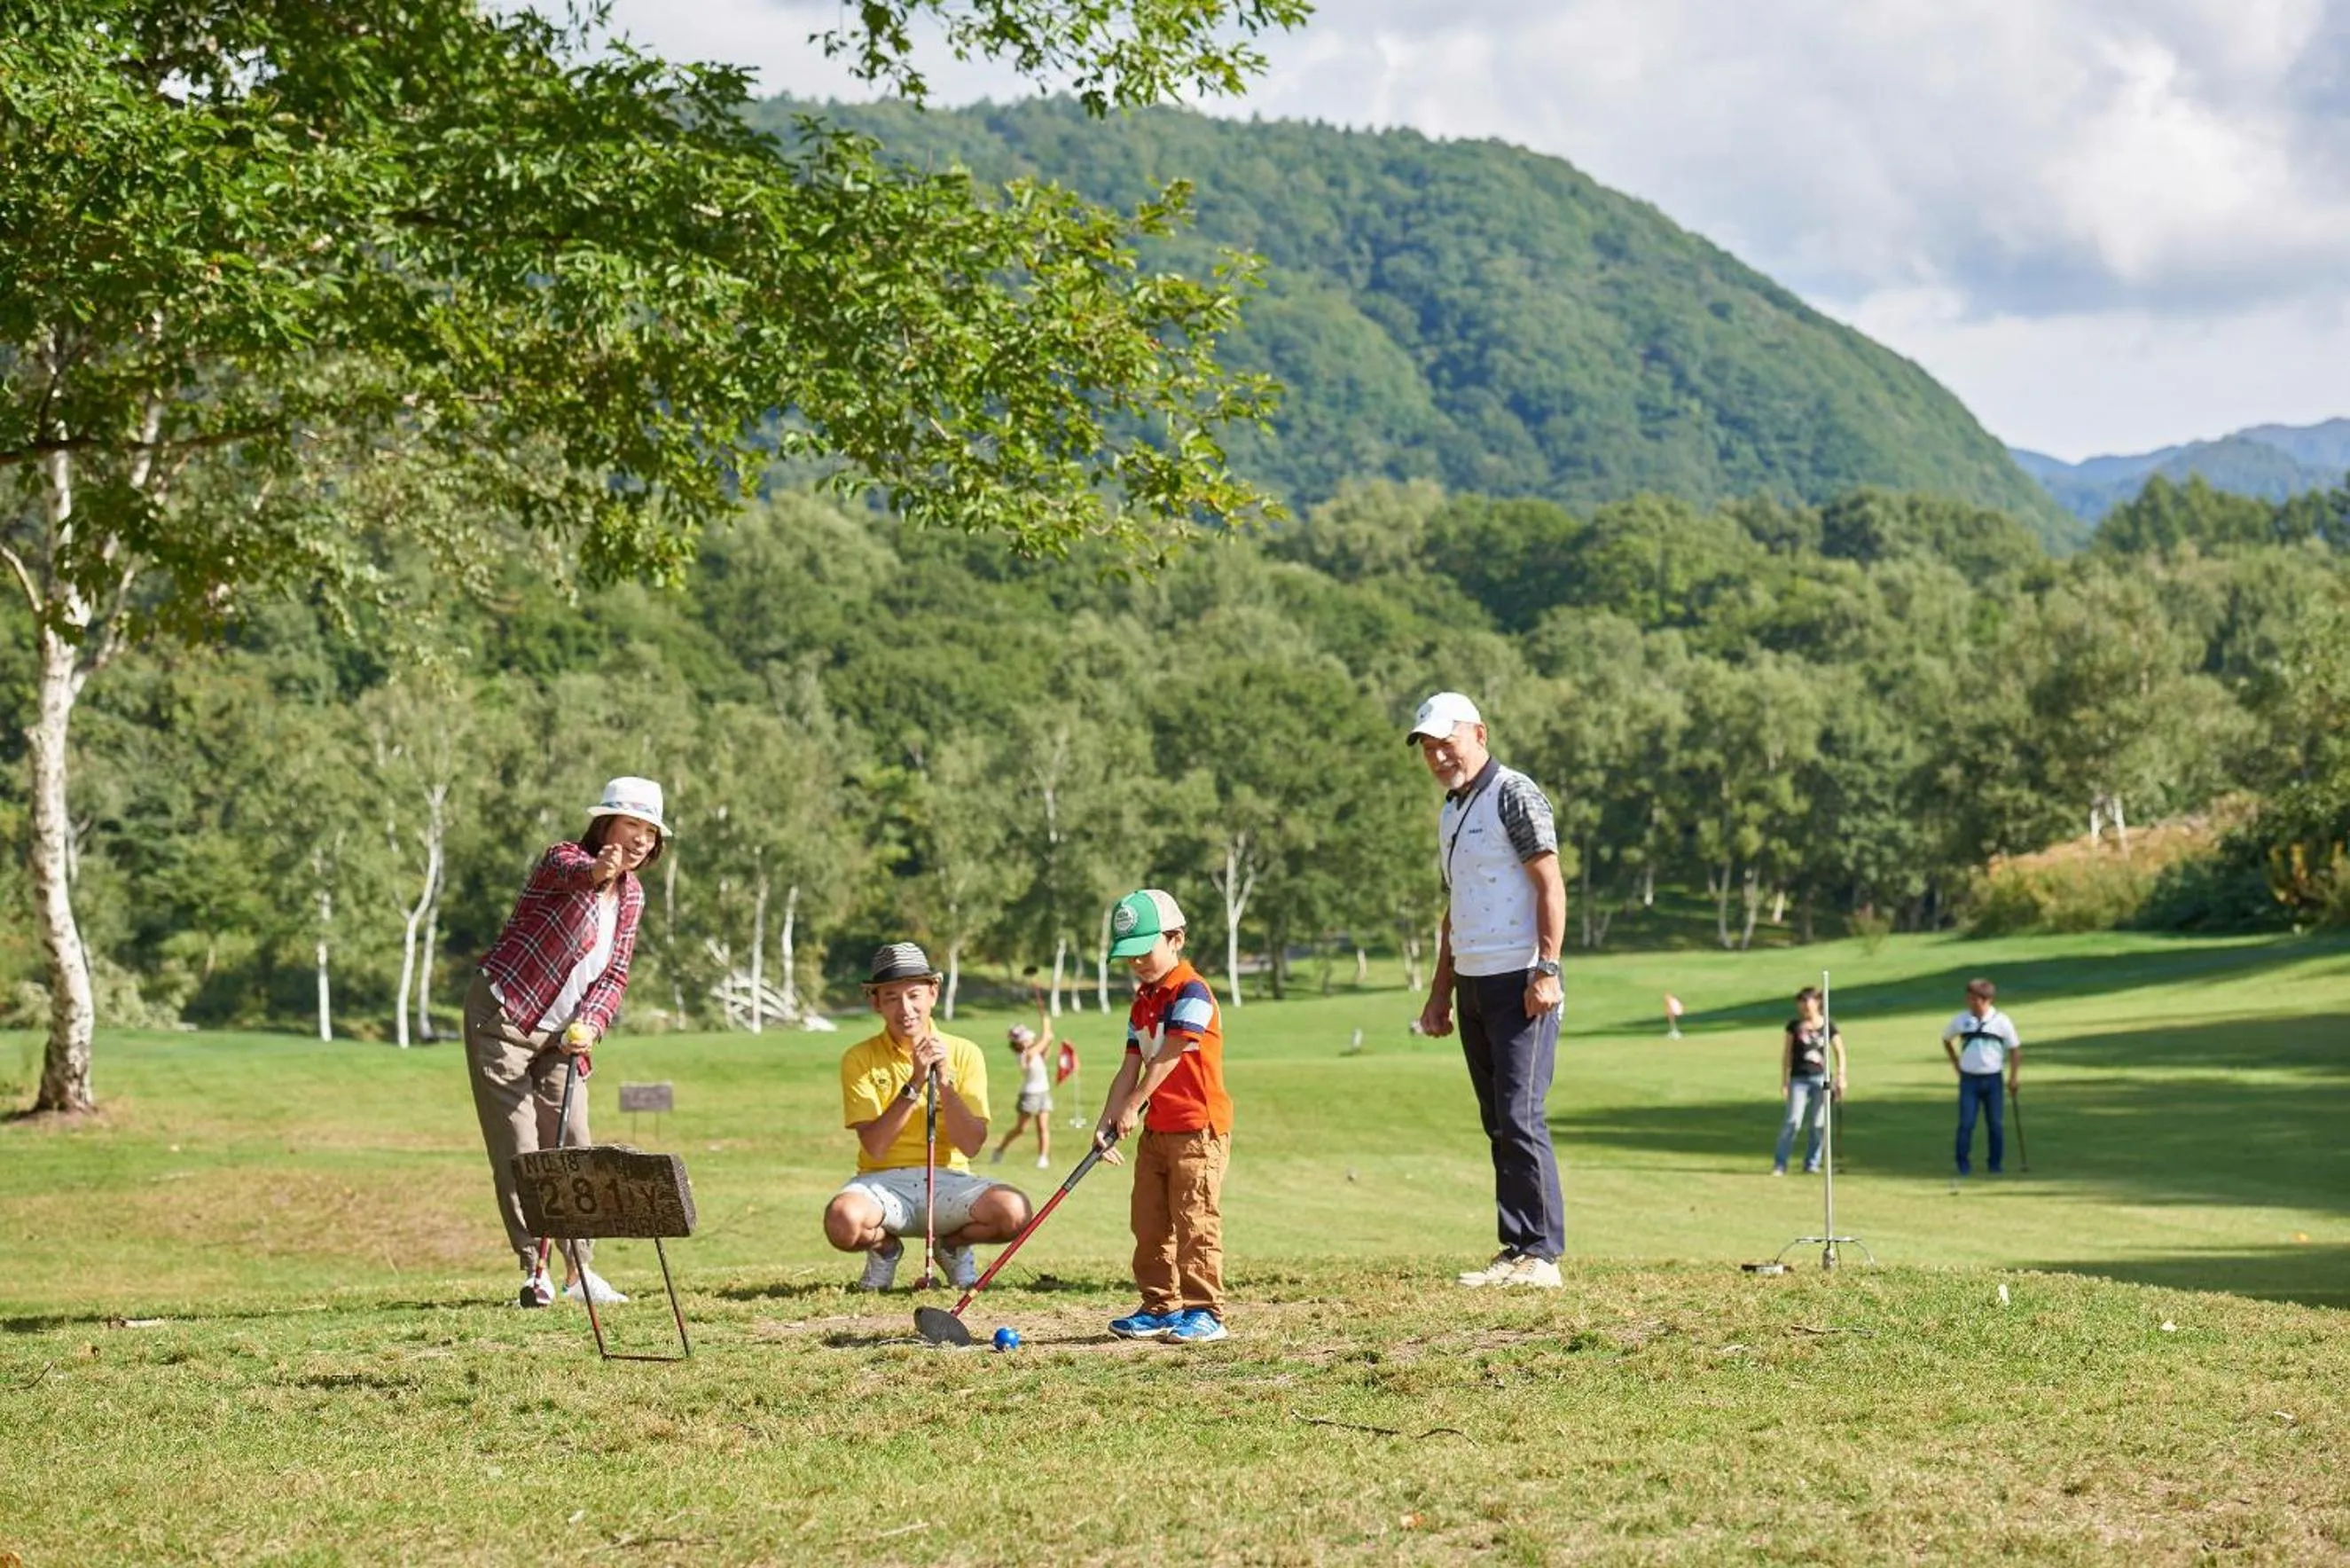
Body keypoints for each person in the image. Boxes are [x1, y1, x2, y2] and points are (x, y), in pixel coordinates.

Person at [466, 776, 667, 1308]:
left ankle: (581, 1273)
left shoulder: (633, 896)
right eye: (633, 825)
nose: (642, 839)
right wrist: (597, 869)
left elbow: (615, 975)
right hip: (504, 1016)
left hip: (562, 1032)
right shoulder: (563, 860)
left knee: (575, 1140)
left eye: (651, 831)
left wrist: (594, 1024)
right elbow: (574, 872)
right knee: (519, 1147)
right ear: (605, 823)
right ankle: (536, 1272)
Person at [1407, 692, 1569, 1290]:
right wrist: (1439, 993)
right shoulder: (1452, 810)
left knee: (1522, 1115)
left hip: (1522, 978)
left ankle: (1543, 1255)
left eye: (1446, 742)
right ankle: (1516, 1245)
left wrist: (1547, 969)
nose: (1439, 755)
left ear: (1479, 733)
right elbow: (1456, 909)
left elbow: (1549, 883)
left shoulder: (1513, 794)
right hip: (1474, 979)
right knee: (1497, 1120)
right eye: (1428, 747)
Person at [823, 942, 1032, 1290]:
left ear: (933, 993)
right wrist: (915, 1082)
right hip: (882, 1182)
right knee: (842, 1222)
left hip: (949, 1179)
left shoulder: (965, 1052)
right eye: (891, 997)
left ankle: (950, 1247)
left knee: (1014, 1211)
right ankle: (885, 1248)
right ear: (875, 1001)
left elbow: (971, 1145)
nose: (906, 1008)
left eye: (914, 995)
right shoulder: (858, 1058)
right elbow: (875, 1146)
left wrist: (945, 1084)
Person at [1093, 889, 1233, 1345]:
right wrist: (1109, 1117)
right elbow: (1130, 1064)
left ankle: (1205, 1311)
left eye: (1143, 952)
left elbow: (1172, 1052)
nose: (1136, 963)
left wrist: (1134, 1103)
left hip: (1197, 1129)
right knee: (1149, 1221)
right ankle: (1159, 1306)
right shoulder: (1143, 1001)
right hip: (1157, 1132)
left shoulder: (1192, 991)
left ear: (1175, 938)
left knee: (1194, 1221)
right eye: (1127, 956)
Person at [1941, 978, 2021, 1180]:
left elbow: (2014, 1050)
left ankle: (1995, 1163)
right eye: (1969, 999)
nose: (1971, 1003)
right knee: (1966, 1123)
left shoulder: (2001, 1021)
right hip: (1969, 1080)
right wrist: (1956, 1064)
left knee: (1995, 1124)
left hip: (1993, 1079)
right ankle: (1962, 1163)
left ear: (1988, 1000)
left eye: (1975, 999)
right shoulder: (1961, 1020)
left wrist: (2013, 1078)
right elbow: (1946, 1039)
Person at [1773, 986, 1847, 1176]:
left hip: (1822, 1078)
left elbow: (1839, 1051)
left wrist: (1841, 1076)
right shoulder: (1794, 1026)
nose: (1805, 1006)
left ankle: (1812, 1163)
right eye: (1802, 1002)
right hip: (1799, 1079)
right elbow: (1787, 1055)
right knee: (1792, 1121)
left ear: (1818, 1003)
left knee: (1818, 1124)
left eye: (1809, 1001)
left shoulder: (1827, 1025)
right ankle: (1780, 1164)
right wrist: (1784, 1081)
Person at [992, 1007, 1056, 1170]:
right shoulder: (1025, 1054)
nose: (1028, 1040)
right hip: (1029, 1095)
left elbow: (1045, 1050)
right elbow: (1044, 1039)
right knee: (1021, 1129)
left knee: (1043, 1127)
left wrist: (1049, 1041)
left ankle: (1043, 1158)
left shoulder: (1034, 1052)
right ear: (1018, 1043)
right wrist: (1046, 1023)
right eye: (1025, 1039)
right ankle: (999, 1150)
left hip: (1043, 1092)